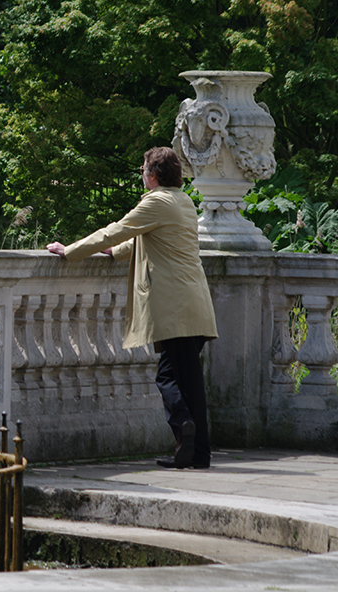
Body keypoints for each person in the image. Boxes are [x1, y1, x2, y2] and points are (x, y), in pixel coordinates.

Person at [46, 147, 218, 469]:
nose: (142, 173)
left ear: (153, 174)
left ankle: (183, 426)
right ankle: (199, 454)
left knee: (168, 376)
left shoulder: (154, 202)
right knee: (192, 383)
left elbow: (115, 229)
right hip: (195, 303)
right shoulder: (183, 201)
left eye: (143, 169)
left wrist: (70, 250)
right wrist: (115, 253)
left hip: (175, 307)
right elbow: (145, 238)